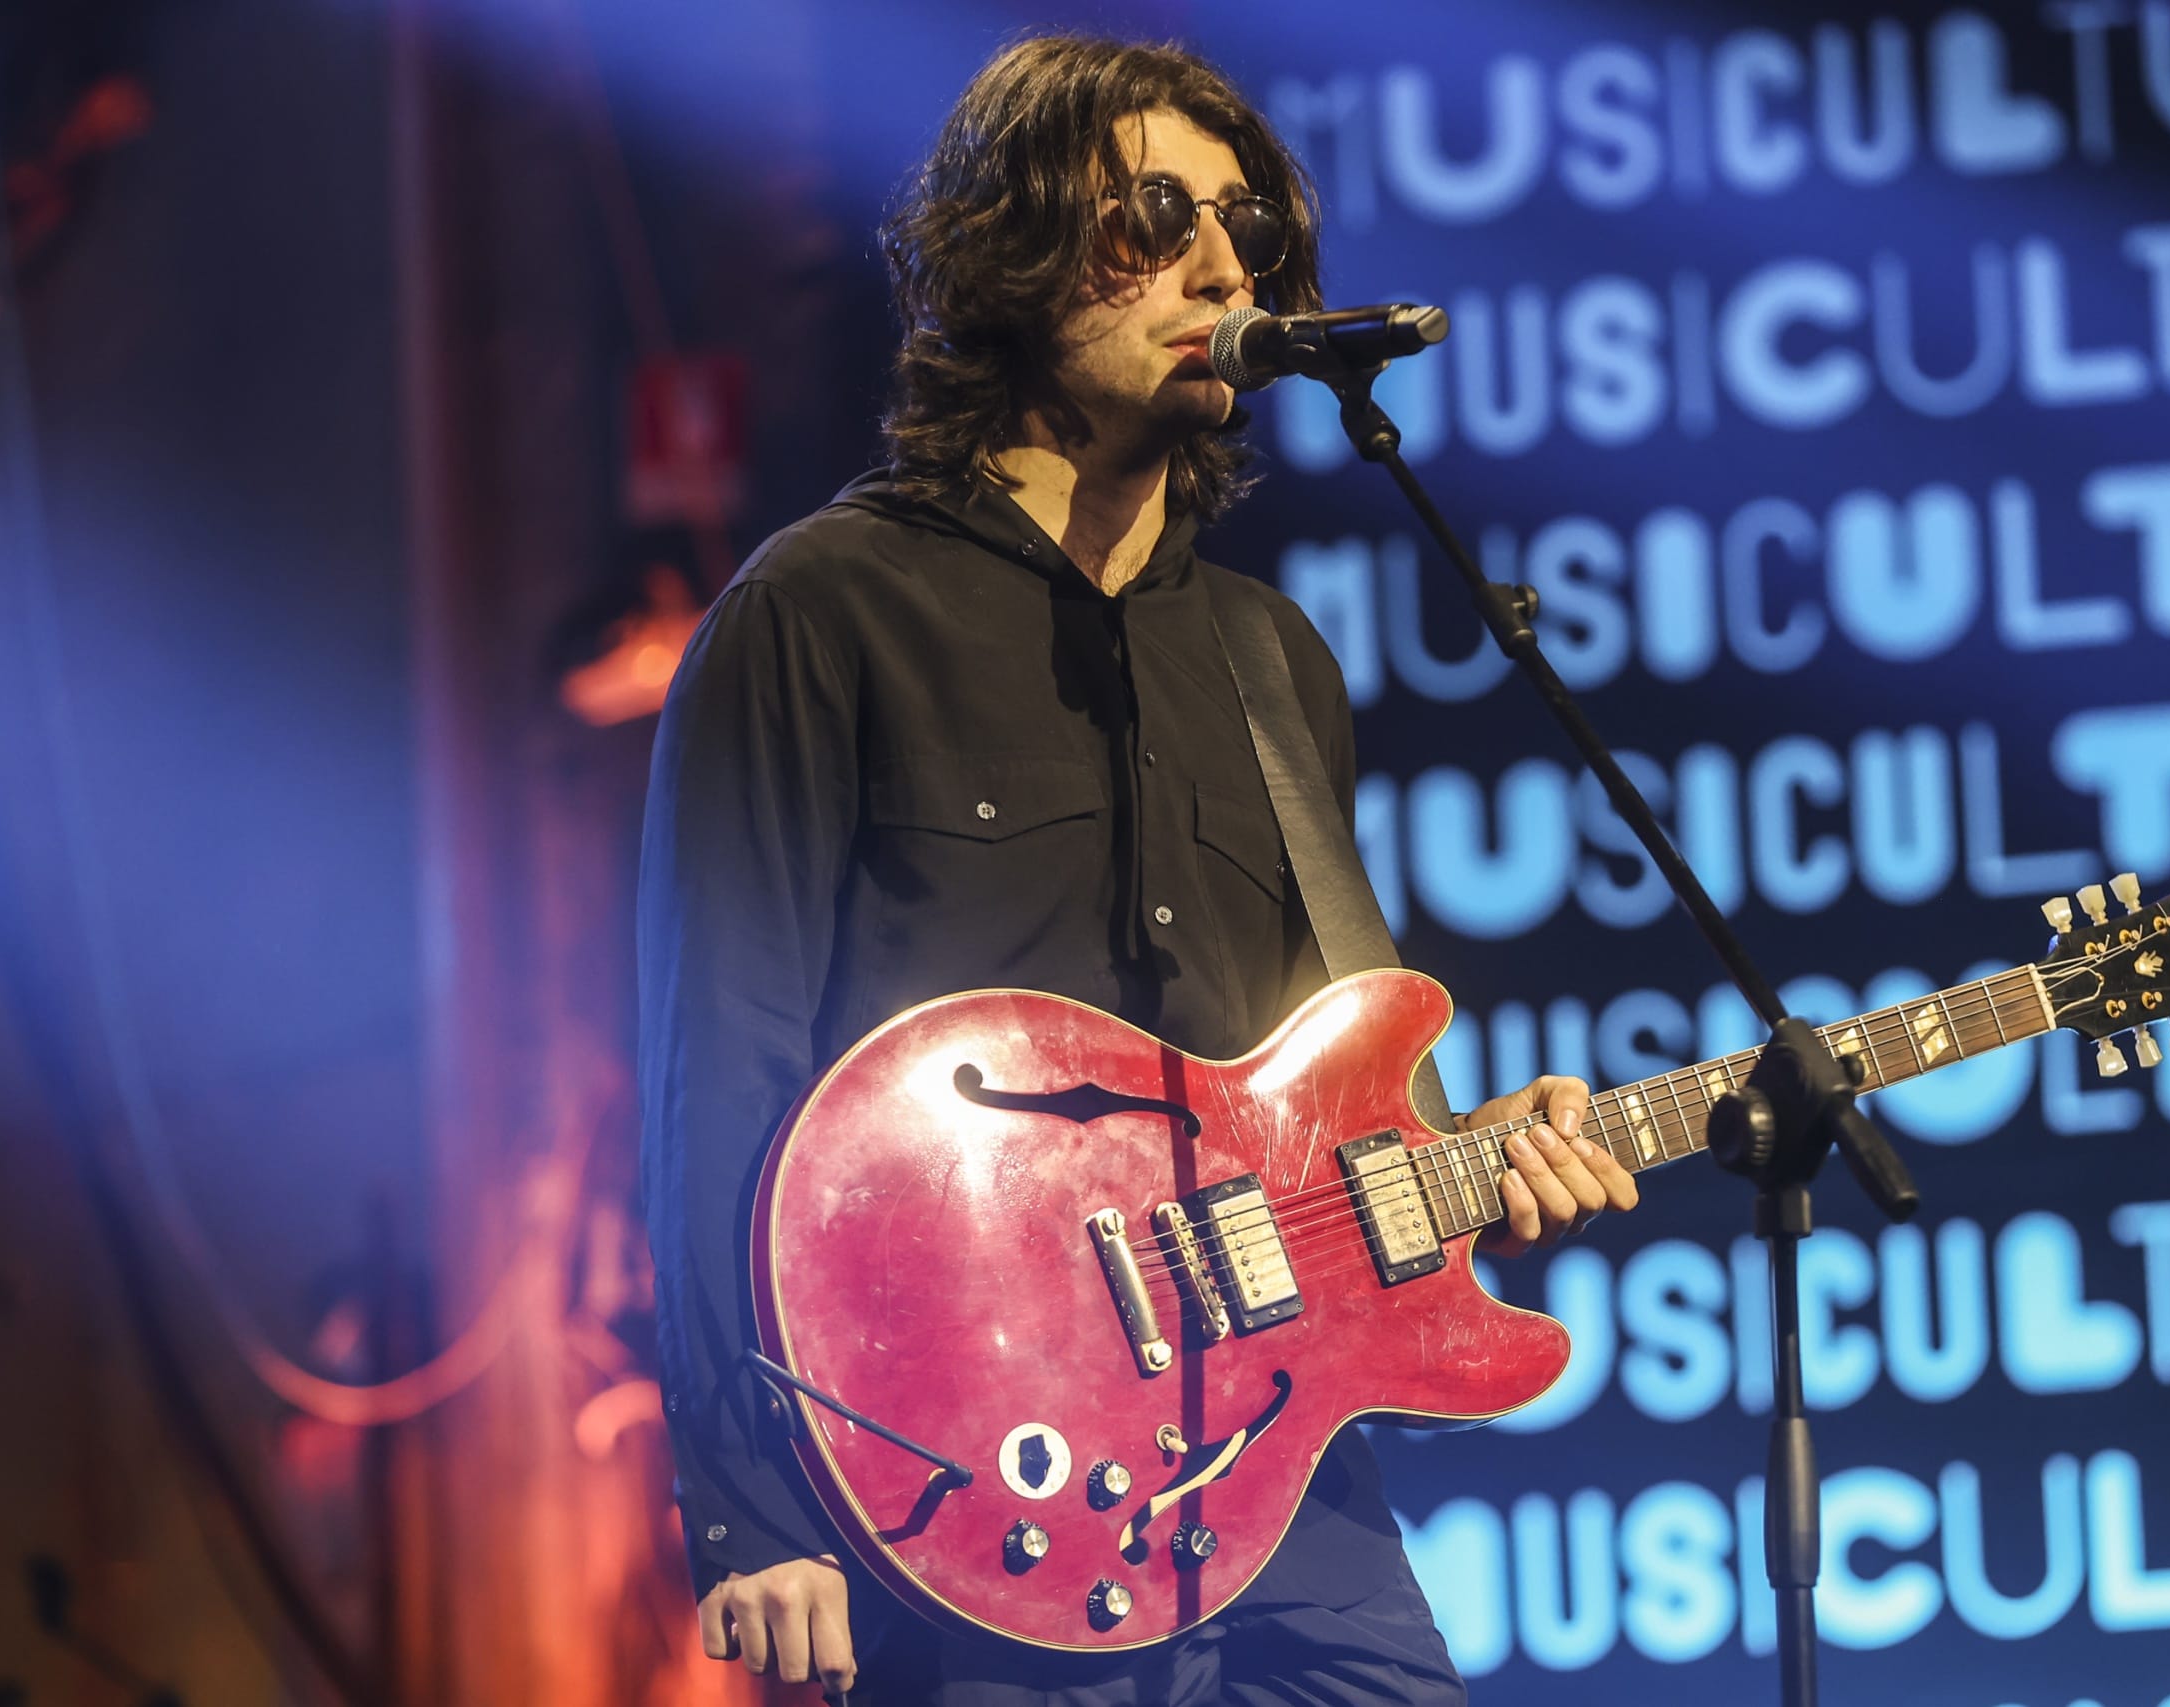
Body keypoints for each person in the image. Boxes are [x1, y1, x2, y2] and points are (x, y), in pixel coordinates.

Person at [636, 33, 1638, 1706]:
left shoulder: (1269, 659)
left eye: (1246, 226)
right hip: (976, 1479)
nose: (1224, 267)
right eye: (1157, 217)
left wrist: (1477, 1171)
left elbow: (1320, 1097)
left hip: (1271, 1466)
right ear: (1012, 249)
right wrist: (754, 1507)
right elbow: (717, 1070)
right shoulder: (820, 615)